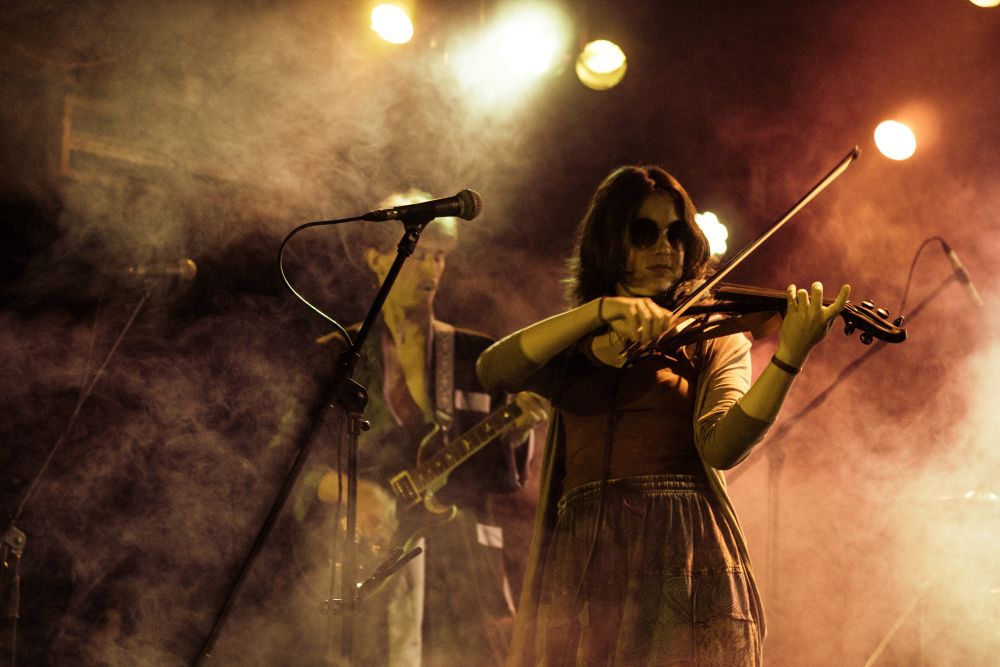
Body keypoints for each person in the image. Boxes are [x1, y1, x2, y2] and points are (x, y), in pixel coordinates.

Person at [475, 165, 849, 666]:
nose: (666, 248)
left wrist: (789, 358)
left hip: (683, 550)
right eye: (644, 232)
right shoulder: (574, 344)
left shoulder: (713, 334)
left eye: (676, 233)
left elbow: (722, 447)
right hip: (586, 559)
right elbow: (492, 370)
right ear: (610, 242)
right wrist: (598, 312)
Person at [297, 188, 544, 667]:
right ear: (375, 259)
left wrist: (517, 434)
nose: (431, 269)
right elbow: (287, 462)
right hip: (367, 560)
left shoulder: (478, 357)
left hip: (463, 564)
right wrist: (350, 491)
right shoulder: (339, 355)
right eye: (419, 254)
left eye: (440, 257)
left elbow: (503, 478)